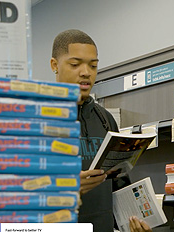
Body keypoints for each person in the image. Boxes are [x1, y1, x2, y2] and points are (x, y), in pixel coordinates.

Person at [50, 29, 130, 231]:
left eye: (93, 65)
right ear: (54, 66)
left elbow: (119, 182)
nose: (86, 72)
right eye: (75, 64)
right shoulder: (36, 119)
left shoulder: (105, 120)